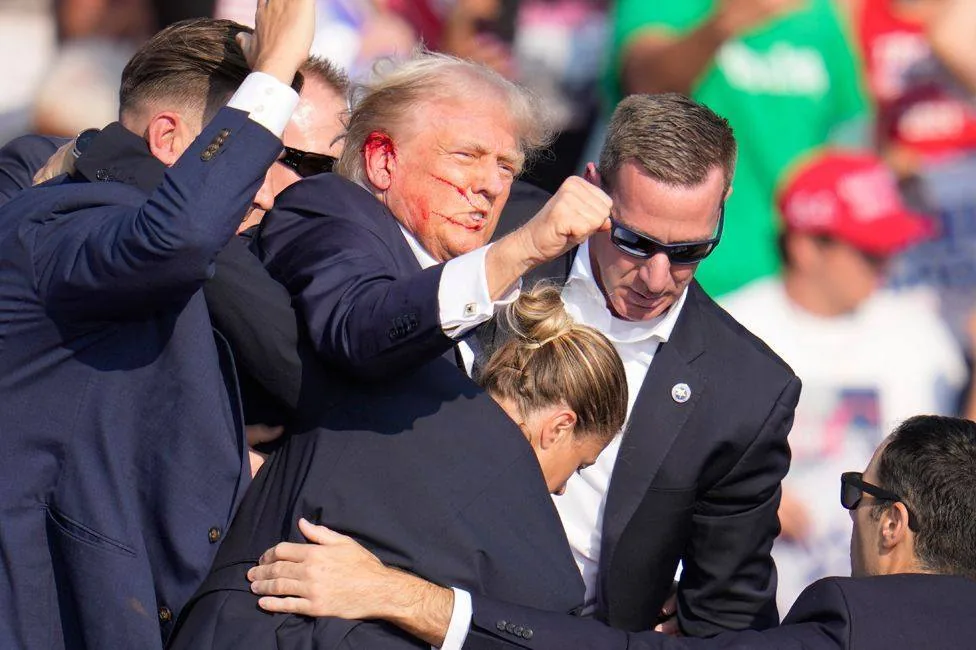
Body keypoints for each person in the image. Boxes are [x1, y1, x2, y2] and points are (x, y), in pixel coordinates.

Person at [252, 92, 801, 638]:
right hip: (354, 589)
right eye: (635, 241)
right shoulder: (487, 224)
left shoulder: (746, 392)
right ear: (592, 189)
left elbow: (729, 620)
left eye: (688, 251)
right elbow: (351, 299)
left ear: (724, 204)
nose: (658, 277)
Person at [0, 4, 314, 649]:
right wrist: (275, 69)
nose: (270, 189)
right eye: (262, 158)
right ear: (171, 140)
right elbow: (173, 237)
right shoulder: (64, 221)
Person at [245, 414, 976, 650]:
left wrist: (406, 597)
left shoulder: (857, 622)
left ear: (893, 523)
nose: (850, 509)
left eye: (860, 492)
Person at [167, 285, 629, 649]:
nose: (565, 488)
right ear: (559, 426)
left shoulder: (388, 373)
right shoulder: (547, 580)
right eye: (580, 465)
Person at [721, 148, 969, 609]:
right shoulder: (733, 327)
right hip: (755, 598)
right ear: (806, 246)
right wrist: (746, 497)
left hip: (886, 605)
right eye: (869, 252)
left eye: (888, 250)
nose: (887, 267)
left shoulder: (921, 332)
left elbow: (951, 473)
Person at [605, 0, 870, 296]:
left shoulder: (820, 12)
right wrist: (722, 25)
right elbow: (643, 87)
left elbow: (848, 134)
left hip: (790, 276)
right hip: (683, 263)